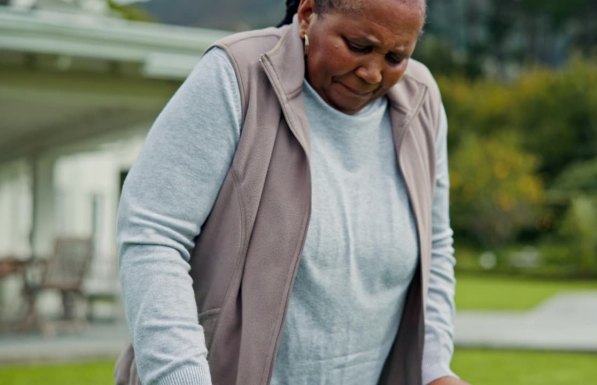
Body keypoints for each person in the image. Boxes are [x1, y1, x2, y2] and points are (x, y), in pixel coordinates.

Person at [114, 0, 470, 384]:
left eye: (396, 57)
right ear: (307, 14)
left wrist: (434, 370)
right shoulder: (237, 75)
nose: (372, 73)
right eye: (358, 46)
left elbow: (436, 247)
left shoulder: (421, 101)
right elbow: (154, 236)